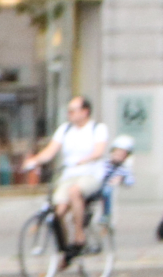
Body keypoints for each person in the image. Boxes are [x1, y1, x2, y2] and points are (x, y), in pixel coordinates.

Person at [18, 94, 110, 247]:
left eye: (73, 111)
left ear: (85, 112)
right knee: (58, 212)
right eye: (69, 111)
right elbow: (50, 151)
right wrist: (34, 160)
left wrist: (85, 160)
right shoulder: (65, 129)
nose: (70, 115)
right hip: (69, 176)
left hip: (90, 175)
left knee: (75, 191)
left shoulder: (98, 129)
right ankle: (65, 250)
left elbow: (99, 151)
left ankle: (79, 235)